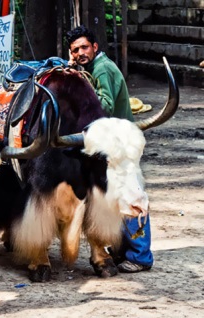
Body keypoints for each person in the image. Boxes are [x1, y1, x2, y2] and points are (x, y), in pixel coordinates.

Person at [66, 25, 153, 273]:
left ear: (95, 47)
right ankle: (125, 252)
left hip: (120, 146)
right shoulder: (90, 68)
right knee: (117, 198)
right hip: (113, 144)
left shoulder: (101, 68)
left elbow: (103, 106)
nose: (80, 53)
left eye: (84, 47)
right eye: (75, 50)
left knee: (131, 196)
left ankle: (140, 256)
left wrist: (77, 92)